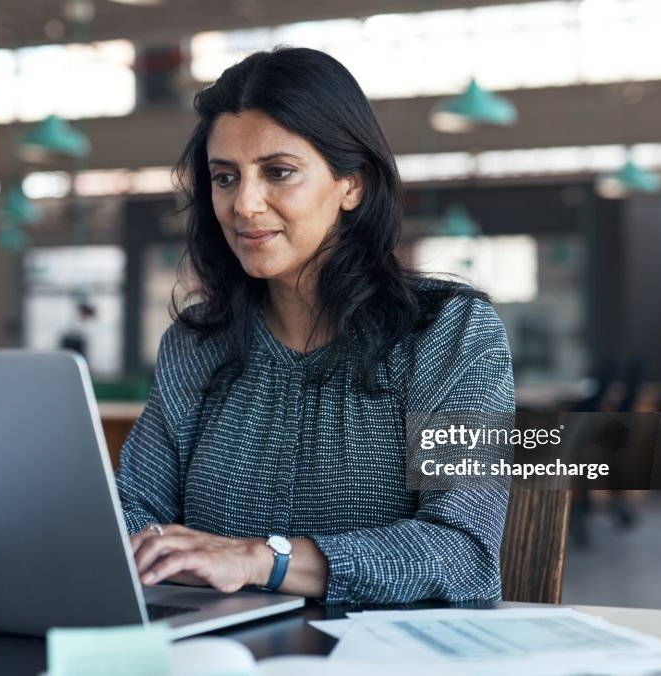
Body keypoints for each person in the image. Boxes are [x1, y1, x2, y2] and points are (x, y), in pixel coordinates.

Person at [116, 47, 514, 605]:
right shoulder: (194, 345)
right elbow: (131, 513)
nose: (244, 204)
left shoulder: (452, 332)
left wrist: (262, 559)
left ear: (351, 184)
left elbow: (463, 555)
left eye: (278, 172)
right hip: (220, 656)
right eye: (225, 177)